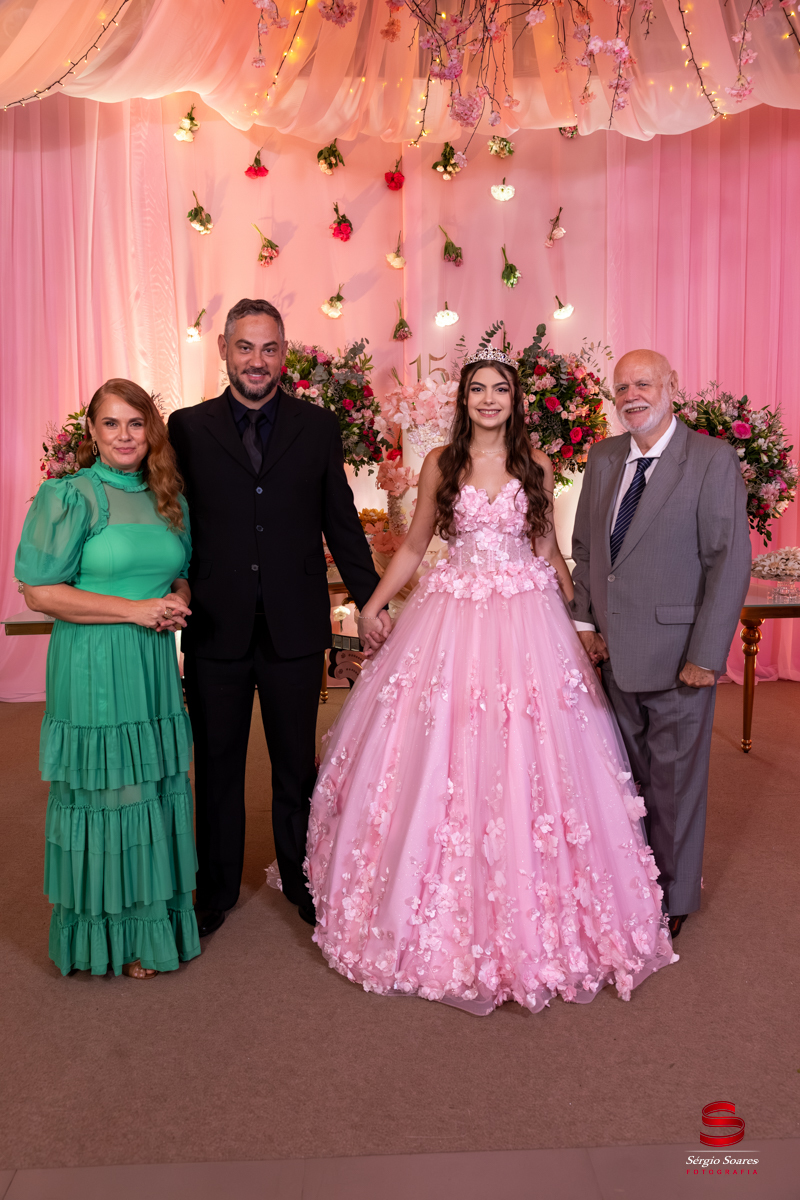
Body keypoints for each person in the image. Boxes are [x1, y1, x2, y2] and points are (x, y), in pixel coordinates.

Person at [305, 347, 674, 1016]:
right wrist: (371, 605)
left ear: (514, 399)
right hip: (453, 612)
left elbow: (548, 547)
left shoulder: (535, 463)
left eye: (499, 388)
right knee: (445, 742)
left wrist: (581, 618)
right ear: (464, 400)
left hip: (529, 615)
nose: (488, 399)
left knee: (537, 744)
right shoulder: (440, 463)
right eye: (477, 389)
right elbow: (415, 545)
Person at [168, 298, 381, 936]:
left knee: (295, 765)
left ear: (283, 355)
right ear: (224, 351)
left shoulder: (317, 427)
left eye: (268, 349)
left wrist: (373, 603)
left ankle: (300, 876)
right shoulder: (187, 427)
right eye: (245, 347)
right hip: (215, 625)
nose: (256, 361)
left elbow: (342, 521)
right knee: (218, 765)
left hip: (295, 627)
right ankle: (215, 889)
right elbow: (170, 520)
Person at [15, 380, 200, 979]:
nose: (125, 436)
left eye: (136, 424)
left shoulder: (167, 496)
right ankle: (111, 938)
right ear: (92, 432)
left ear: (151, 431)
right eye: (112, 424)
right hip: (94, 661)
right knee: (110, 792)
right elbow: (40, 592)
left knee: (151, 787)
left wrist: (175, 599)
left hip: (151, 663)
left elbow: (178, 574)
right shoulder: (69, 495)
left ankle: (150, 924)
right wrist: (134, 611)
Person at [571, 350, 752, 939]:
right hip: (611, 655)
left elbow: (728, 562)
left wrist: (706, 655)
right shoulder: (603, 457)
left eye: (643, 384)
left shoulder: (710, 459)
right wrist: (586, 626)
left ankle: (672, 896)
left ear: (671, 386)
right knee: (622, 780)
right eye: (621, 387)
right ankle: (629, 883)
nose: (632, 396)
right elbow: (587, 550)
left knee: (674, 787)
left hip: (679, 658)